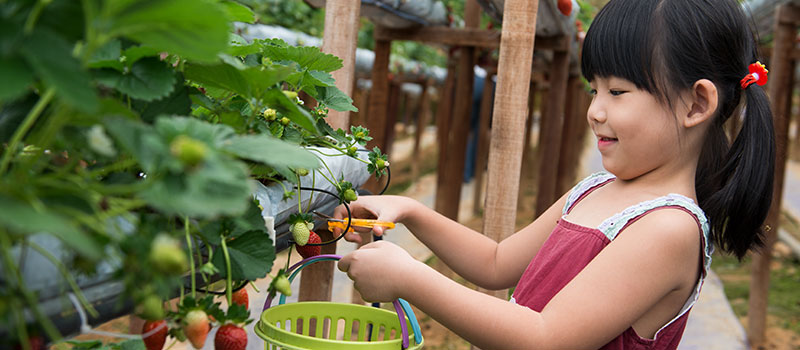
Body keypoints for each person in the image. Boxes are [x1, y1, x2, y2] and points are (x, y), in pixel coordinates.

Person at [335, 0, 775, 348]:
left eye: (618, 92)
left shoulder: (668, 229)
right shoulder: (596, 189)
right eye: (594, 89)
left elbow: (544, 337)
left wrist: (411, 278)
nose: (595, 111)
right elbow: (495, 262)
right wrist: (411, 211)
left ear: (697, 104)